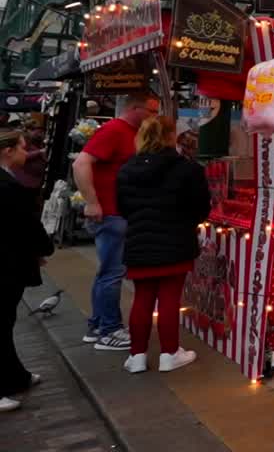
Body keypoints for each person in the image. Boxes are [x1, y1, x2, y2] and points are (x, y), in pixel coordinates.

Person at [116, 116, 210, 374]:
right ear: (171, 137)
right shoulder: (187, 168)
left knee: (142, 298)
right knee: (169, 298)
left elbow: (123, 208)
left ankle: (137, 356)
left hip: (139, 241)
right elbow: (201, 207)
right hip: (176, 240)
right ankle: (169, 353)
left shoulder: (126, 169)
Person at [72, 93, 159, 351]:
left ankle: (98, 324)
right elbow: (81, 163)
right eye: (151, 110)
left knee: (107, 273)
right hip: (111, 213)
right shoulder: (113, 130)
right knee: (112, 274)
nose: (153, 116)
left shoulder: (124, 131)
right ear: (135, 108)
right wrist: (92, 202)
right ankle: (110, 329)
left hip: (114, 212)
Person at [0, 128, 54, 411]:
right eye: (21, 148)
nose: (25, 153)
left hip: (11, 259)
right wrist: (42, 247)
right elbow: (25, 224)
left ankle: (13, 375)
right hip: (5, 263)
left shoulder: (8, 182)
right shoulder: (7, 186)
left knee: (6, 321)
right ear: (8, 151)